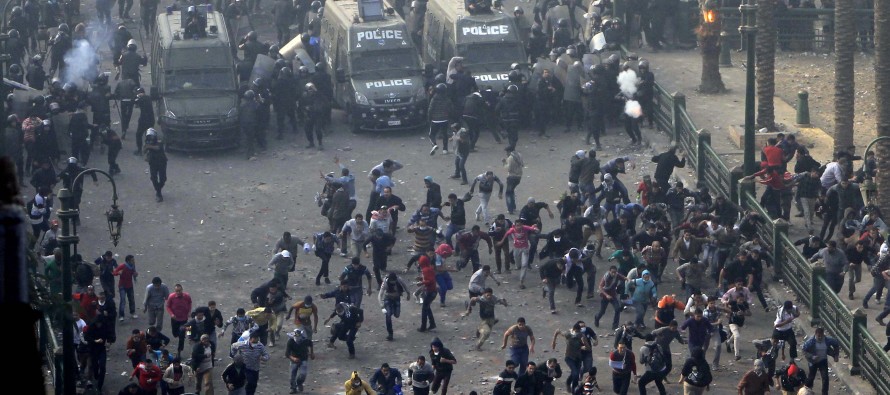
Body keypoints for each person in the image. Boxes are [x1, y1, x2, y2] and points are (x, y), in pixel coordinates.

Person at [552, 323, 590, 393]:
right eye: (576, 332)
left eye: (578, 332)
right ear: (574, 330)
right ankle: (574, 390)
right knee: (575, 373)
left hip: (578, 358)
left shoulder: (582, 336)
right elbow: (558, 331)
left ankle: (569, 383)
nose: (577, 334)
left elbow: (588, 348)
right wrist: (554, 342)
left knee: (575, 374)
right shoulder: (568, 335)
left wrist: (584, 342)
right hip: (569, 357)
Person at [801, 327, 839, 395]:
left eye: (822, 336)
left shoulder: (827, 340)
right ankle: (805, 391)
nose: (820, 337)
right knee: (811, 378)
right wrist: (812, 356)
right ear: (815, 334)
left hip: (822, 360)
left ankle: (824, 393)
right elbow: (804, 350)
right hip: (813, 362)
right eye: (819, 336)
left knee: (825, 378)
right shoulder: (810, 342)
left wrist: (836, 355)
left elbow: (836, 343)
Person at [378, 272, 410, 341]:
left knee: (397, 314)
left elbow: (405, 286)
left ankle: (391, 310)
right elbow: (380, 295)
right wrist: (382, 306)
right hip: (388, 298)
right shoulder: (385, 283)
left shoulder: (399, 280)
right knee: (388, 315)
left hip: (396, 298)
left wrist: (408, 294)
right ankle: (390, 334)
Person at [285, 327, 313, 393]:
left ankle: (299, 383)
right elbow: (287, 354)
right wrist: (293, 358)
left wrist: (312, 353)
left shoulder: (305, 341)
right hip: (294, 359)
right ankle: (293, 388)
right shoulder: (290, 342)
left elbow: (311, 344)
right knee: (292, 375)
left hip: (303, 358)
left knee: (303, 374)